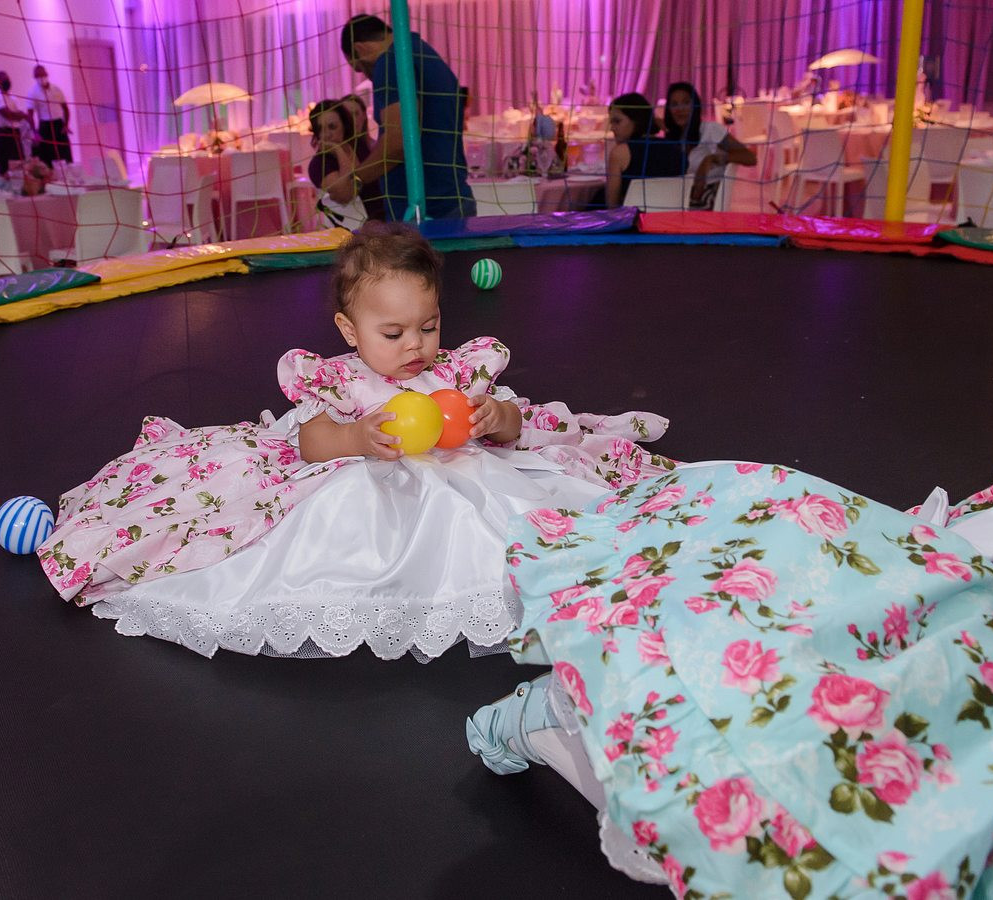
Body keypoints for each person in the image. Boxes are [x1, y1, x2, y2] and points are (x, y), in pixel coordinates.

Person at [468, 323, 993, 896]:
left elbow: (888, 571)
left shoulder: (990, 511)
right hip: (989, 724)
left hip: (879, 676)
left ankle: (564, 711)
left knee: (726, 731)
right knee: (840, 823)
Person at [36, 222, 672, 660]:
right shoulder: (339, 381)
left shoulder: (454, 372)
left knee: (508, 516)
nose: (415, 345)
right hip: (368, 480)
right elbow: (311, 443)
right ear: (350, 330)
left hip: (463, 479)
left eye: (428, 326)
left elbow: (512, 427)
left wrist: (492, 418)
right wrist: (357, 437)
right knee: (330, 522)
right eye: (392, 334)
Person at [339, 14, 475, 220]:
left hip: (427, 211)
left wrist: (354, 181)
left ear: (360, 49)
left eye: (361, 69)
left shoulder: (391, 61)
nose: (369, 77)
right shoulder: (423, 52)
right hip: (450, 200)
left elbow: (398, 142)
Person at [663, 81, 755, 209]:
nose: (680, 109)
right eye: (674, 104)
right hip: (678, 195)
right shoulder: (672, 137)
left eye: (686, 102)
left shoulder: (710, 129)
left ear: (695, 106)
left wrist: (711, 159)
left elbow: (750, 157)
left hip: (705, 199)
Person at [602, 92, 686, 209]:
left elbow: (611, 205)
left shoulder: (620, 153)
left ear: (636, 120)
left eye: (617, 121)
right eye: (611, 122)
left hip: (633, 219)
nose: (612, 128)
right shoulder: (676, 148)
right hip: (670, 217)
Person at [307, 98, 381, 229]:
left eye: (332, 127)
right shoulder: (319, 164)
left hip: (381, 217)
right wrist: (338, 150)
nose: (326, 134)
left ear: (344, 126)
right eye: (320, 129)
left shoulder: (360, 146)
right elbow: (345, 193)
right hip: (350, 229)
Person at [0, 70, 29, 176]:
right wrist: (20, 115)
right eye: (4, 79)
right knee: (5, 165)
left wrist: (20, 115)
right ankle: (5, 184)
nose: (7, 81)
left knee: (18, 163)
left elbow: (19, 114)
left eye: (8, 78)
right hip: (2, 133)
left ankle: (18, 183)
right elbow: (7, 114)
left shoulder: (10, 96)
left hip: (14, 132)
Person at [27, 65, 72, 167]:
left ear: (46, 74)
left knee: (64, 155)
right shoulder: (32, 92)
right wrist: (35, 132)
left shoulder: (56, 89)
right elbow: (30, 114)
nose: (41, 77)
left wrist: (66, 125)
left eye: (42, 74)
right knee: (47, 158)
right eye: (38, 75)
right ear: (34, 77)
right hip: (45, 126)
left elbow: (65, 108)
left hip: (59, 125)